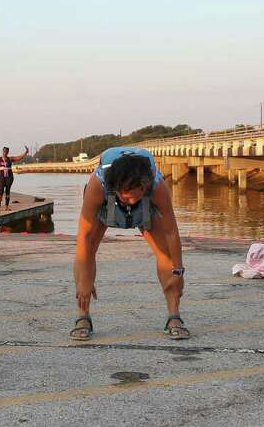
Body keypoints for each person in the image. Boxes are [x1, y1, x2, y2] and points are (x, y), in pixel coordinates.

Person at [71, 146, 189, 341]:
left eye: (136, 193)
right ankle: (82, 318)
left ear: (145, 185)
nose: (131, 199)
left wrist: (178, 272)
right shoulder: (98, 185)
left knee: (165, 255)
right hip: (107, 206)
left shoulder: (157, 186)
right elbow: (83, 237)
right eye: (127, 195)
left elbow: (171, 232)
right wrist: (84, 281)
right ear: (116, 187)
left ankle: (174, 317)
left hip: (145, 207)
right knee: (88, 251)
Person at [0, 145, 29, 210]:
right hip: (1, 176)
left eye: (6, 151)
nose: (5, 153)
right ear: (2, 151)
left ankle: (6, 207)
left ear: (8, 152)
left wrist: (25, 152)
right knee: (1, 191)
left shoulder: (10, 159)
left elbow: (19, 158)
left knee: (7, 191)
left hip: (9, 176)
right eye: (4, 151)